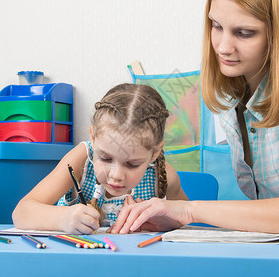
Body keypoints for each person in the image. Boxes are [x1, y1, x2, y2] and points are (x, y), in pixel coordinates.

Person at [109, 0, 279, 245]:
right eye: (217, 26)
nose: (223, 47)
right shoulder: (235, 90)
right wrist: (179, 217)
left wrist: (189, 210)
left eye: (244, 33)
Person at [12, 83, 188, 234]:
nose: (116, 175)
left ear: (155, 152)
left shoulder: (162, 175)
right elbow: (21, 213)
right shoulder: (81, 159)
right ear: (93, 138)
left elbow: (185, 217)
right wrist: (62, 219)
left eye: (132, 164)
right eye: (105, 158)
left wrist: (164, 221)